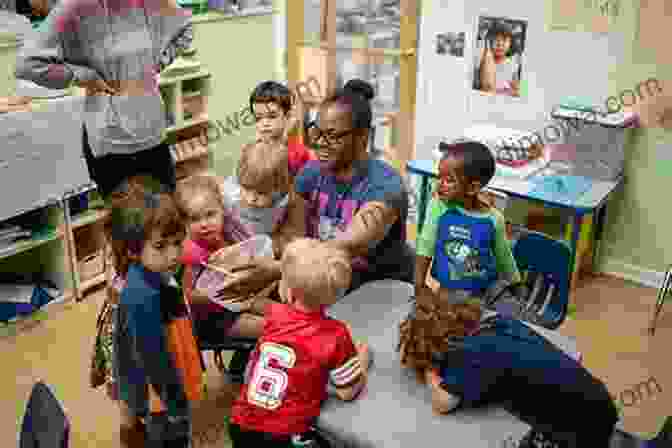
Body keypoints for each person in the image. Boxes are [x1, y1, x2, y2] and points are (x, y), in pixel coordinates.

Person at [14, 0, 193, 198]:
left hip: (152, 132)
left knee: (167, 216)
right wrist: (83, 76)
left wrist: (155, 65)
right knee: (127, 222)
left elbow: (185, 28)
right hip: (110, 140)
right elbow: (27, 64)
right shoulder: (74, 7)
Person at [398, 293, 619, 448]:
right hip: (600, 402)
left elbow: (442, 403)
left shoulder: (468, 355)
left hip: (581, 432)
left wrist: (428, 370)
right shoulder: (498, 322)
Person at [228, 238, 370, 447]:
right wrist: (362, 359)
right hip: (286, 434)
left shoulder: (275, 314)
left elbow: (254, 303)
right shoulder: (336, 335)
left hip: (240, 424)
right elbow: (347, 391)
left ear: (289, 292)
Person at [106, 175, 200, 448]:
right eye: (161, 246)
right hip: (159, 396)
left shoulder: (154, 270)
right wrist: (176, 404)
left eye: (178, 242)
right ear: (134, 248)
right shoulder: (142, 296)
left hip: (164, 382)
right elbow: (154, 360)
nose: (173, 255)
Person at [295, 78, 414, 292]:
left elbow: (348, 245)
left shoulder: (385, 186)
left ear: (362, 137)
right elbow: (292, 234)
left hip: (378, 288)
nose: (320, 142)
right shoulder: (310, 174)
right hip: (322, 279)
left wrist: (278, 269)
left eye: (332, 136)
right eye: (317, 132)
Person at [175, 174, 280, 344]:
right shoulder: (192, 254)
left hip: (242, 301)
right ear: (184, 223)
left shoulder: (227, 234)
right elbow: (188, 296)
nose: (204, 224)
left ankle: (305, 325)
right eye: (194, 219)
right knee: (272, 327)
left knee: (286, 315)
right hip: (215, 320)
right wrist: (219, 295)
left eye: (210, 215)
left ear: (222, 211)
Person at [415, 140, 521, 305]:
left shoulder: (494, 219)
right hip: (450, 290)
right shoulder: (438, 207)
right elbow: (425, 245)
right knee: (448, 322)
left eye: (449, 180)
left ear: (472, 188)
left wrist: (516, 283)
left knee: (503, 316)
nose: (439, 185)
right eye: (439, 177)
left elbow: (504, 256)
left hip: (486, 290)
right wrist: (419, 284)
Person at [249, 80, 316, 178]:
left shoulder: (299, 154)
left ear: (287, 117)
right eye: (258, 118)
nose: (264, 123)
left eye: (272, 116)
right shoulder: (252, 153)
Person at [478, 22, 520, 97]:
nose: (500, 44)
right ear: (489, 42)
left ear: (510, 43)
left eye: (504, 40)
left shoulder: (513, 64)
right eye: (496, 40)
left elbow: (516, 90)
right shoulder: (484, 60)